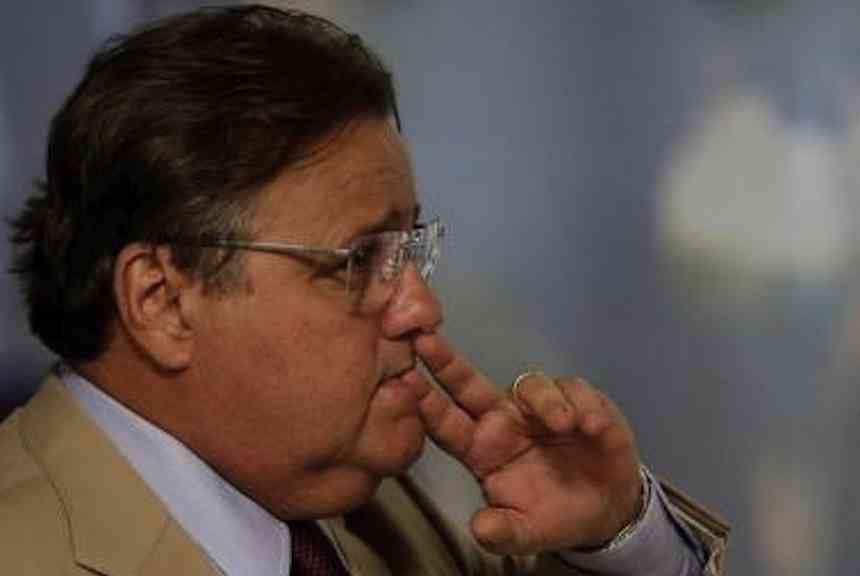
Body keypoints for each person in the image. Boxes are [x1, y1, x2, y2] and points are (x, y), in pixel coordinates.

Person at [0, 5, 728, 575]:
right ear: (162, 301)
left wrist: (610, 540)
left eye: (409, 249)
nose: (422, 308)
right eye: (358, 258)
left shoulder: (375, 508)